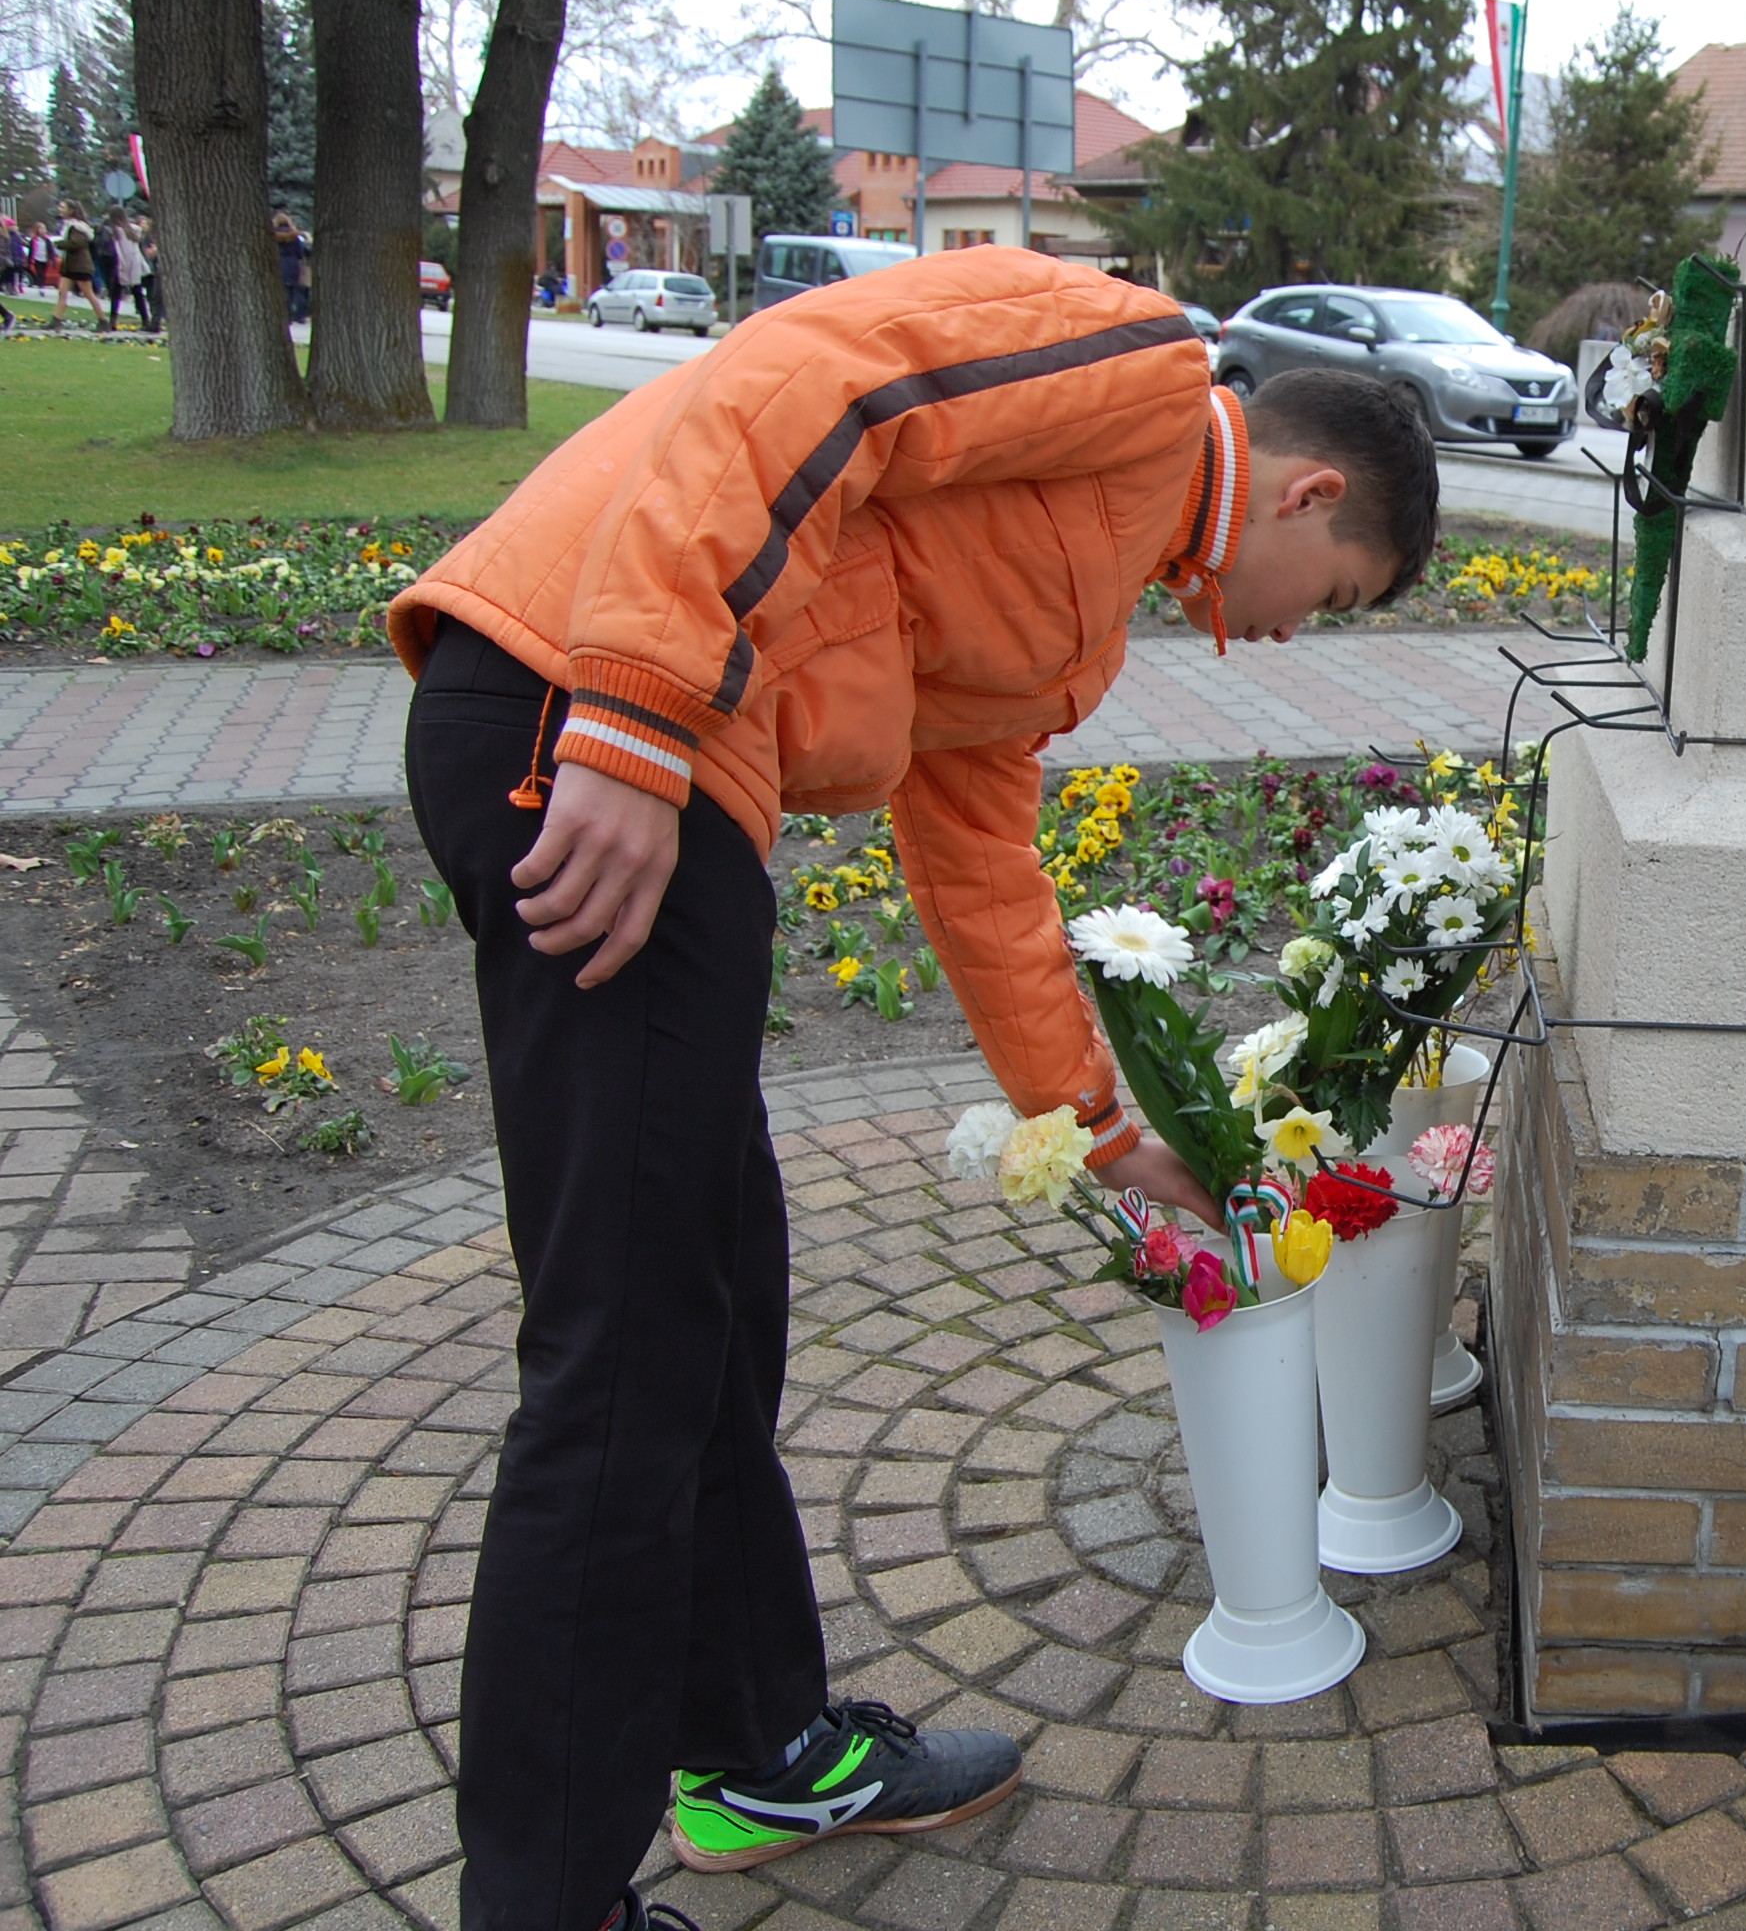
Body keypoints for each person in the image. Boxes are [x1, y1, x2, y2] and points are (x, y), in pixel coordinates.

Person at [387, 244, 1436, 1931]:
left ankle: (754, 1752)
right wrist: (636, 716)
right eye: (1340, 589)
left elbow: (975, 857)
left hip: (662, 757)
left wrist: (1101, 1128)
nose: (1298, 630)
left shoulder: (1086, 618)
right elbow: (800, 385)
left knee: (716, 1304)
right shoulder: (1135, 366)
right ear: (1311, 493)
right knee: (623, 1361)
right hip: (591, 720)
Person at [52, 206, 93, 327]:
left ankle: (103, 320)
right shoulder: (69, 225)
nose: (60, 209)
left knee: (88, 294)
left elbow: (76, 243)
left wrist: (59, 244)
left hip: (79, 265)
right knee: (62, 292)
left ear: (70, 210)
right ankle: (56, 320)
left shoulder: (76, 226)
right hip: (70, 265)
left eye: (63, 207)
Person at [273, 210, 310, 323]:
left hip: (277, 263)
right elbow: (300, 252)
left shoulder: (272, 236)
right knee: (293, 291)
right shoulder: (294, 236)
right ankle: (295, 315)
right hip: (292, 265)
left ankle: (280, 315)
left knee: (277, 291)